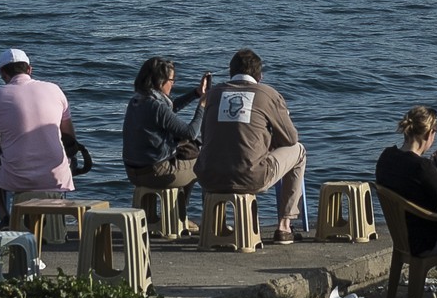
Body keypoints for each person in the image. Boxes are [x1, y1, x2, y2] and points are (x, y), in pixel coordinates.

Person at [195, 48, 307, 244]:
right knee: (299, 151)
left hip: (208, 176)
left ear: (231, 72)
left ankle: (214, 223)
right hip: (249, 177)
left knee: (216, 151)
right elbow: (290, 138)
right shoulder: (267, 94)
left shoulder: (213, 94)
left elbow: (206, 137)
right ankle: (284, 226)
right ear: (260, 75)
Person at [0, 48, 77, 226]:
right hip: (57, 176)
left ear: (2, 73)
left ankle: (5, 216)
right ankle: (54, 220)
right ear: (29, 69)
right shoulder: (55, 90)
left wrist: (8, 142)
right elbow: (69, 137)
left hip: (17, 178)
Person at [374, 105, 437, 254]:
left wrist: (433, 168)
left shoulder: (386, 156)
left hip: (404, 239)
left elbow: (410, 182)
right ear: (429, 133)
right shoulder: (422, 168)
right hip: (428, 242)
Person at [122, 56, 209, 193]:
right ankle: (180, 211)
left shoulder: (137, 100)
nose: (173, 84)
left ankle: (165, 211)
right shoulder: (156, 106)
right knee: (202, 163)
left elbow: (168, 110)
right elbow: (191, 132)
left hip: (133, 173)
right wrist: (202, 106)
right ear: (160, 81)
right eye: (171, 80)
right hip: (155, 173)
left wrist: (196, 93)